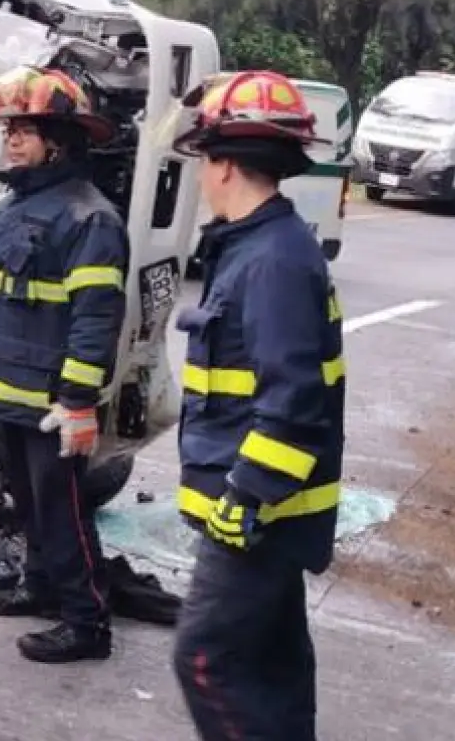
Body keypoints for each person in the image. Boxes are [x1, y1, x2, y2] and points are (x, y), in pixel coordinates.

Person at [168, 70, 346, 740]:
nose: (199, 176)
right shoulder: (259, 246)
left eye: (201, 159)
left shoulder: (270, 260)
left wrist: (244, 496)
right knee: (272, 662)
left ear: (224, 165)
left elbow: (293, 402)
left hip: (254, 514)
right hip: (263, 509)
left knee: (207, 658)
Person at [0, 67, 129, 664]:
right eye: (9, 127)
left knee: (64, 515)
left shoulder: (89, 218)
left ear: (59, 139)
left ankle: (87, 623)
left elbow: (94, 320)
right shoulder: (16, 206)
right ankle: (38, 585)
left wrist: (78, 403)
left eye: (24, 129)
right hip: (7, 394)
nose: (11, 139)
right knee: (28, 504)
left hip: (52, 404)